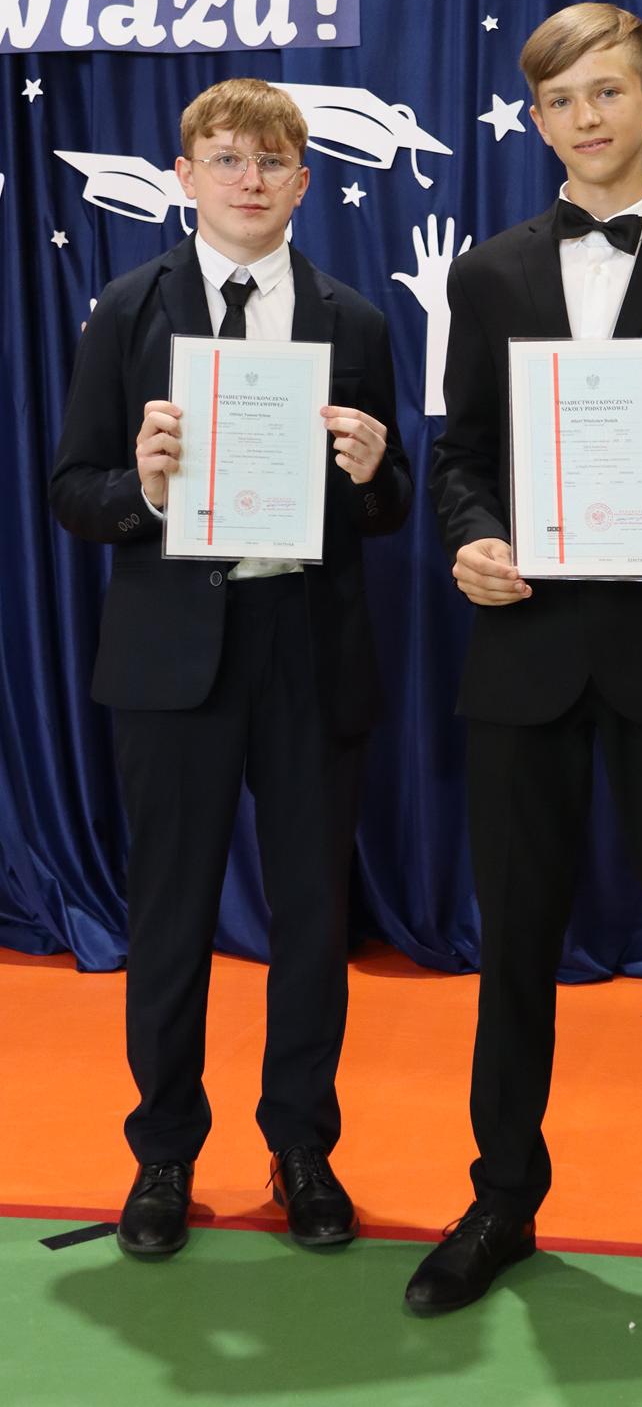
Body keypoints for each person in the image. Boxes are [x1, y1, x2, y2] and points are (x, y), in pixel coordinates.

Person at [406, 3, 642, 1322]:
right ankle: (501, 1196)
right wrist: (471, 538)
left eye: (610, 92)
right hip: (525, 651)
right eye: (562, 99)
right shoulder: (488, 276)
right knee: (512, 945)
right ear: (538, 120)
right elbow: (458, 457)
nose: (588, 117)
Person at [50, 78, 412, 1259]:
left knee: (312, 917)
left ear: (303, 183)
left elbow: (394, 501)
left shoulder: (354, 322)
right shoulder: (125, 309)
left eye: (269, 162)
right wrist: (147, 489)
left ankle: (301, 1146)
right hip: (172, 654)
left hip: (306, 645)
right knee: (168, 917)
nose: (248, 179)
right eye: (225, 157)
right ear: (184, 176)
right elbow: (74, 490)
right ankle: (163, 1151)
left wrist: (375, 468)